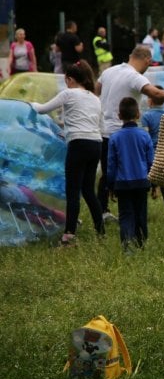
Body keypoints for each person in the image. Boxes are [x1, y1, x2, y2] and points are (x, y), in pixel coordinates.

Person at [96, 46, 164, 222]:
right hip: (122, 131)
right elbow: (155, 93)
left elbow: (97, 88)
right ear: (147, 60)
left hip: (104, 130)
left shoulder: (109, 71)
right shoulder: (135, 76)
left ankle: (103, 210)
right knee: (130, 170)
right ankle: (128, 210)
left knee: (108, 171)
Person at [30, 61, 104, 245]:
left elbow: (41, 109)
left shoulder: (68, 94)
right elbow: (92, 124)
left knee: (73, 190)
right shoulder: (95, 98)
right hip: (95, 144)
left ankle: (69, 233)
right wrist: (66, 131)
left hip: (78, 145)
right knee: (88, 190)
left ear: (70, 79)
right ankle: (100, 229)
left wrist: (28, 104)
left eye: (66, 81)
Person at [107, 97, 154, 251]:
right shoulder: (145, 136)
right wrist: (153, 184)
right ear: (138, 114)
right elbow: (151, 162)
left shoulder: (114, 138)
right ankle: (141, 244)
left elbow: (111, 165)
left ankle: (127, 247)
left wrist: (111, 185)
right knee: (141, 213)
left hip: (122, 184)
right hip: (142, 182)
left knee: (126, 215)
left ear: (119, 116)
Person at [141, 86, 164, 215]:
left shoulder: (146, 116)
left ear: (150, 100)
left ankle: (148, 197)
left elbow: (145, 136)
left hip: (152, 152)